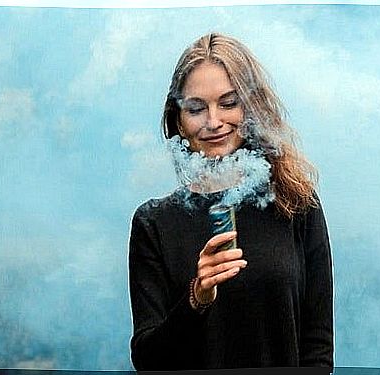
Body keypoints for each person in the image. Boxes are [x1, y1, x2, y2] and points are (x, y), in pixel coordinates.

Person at [128, 32, 333, 371]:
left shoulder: (296, 204)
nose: (213, 122)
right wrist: (197, 298)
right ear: (178, 119)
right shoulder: (155, 224)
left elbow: (318, 348)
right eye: (196, 108)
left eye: (228, 103)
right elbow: (148, 360)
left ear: (251, 108)